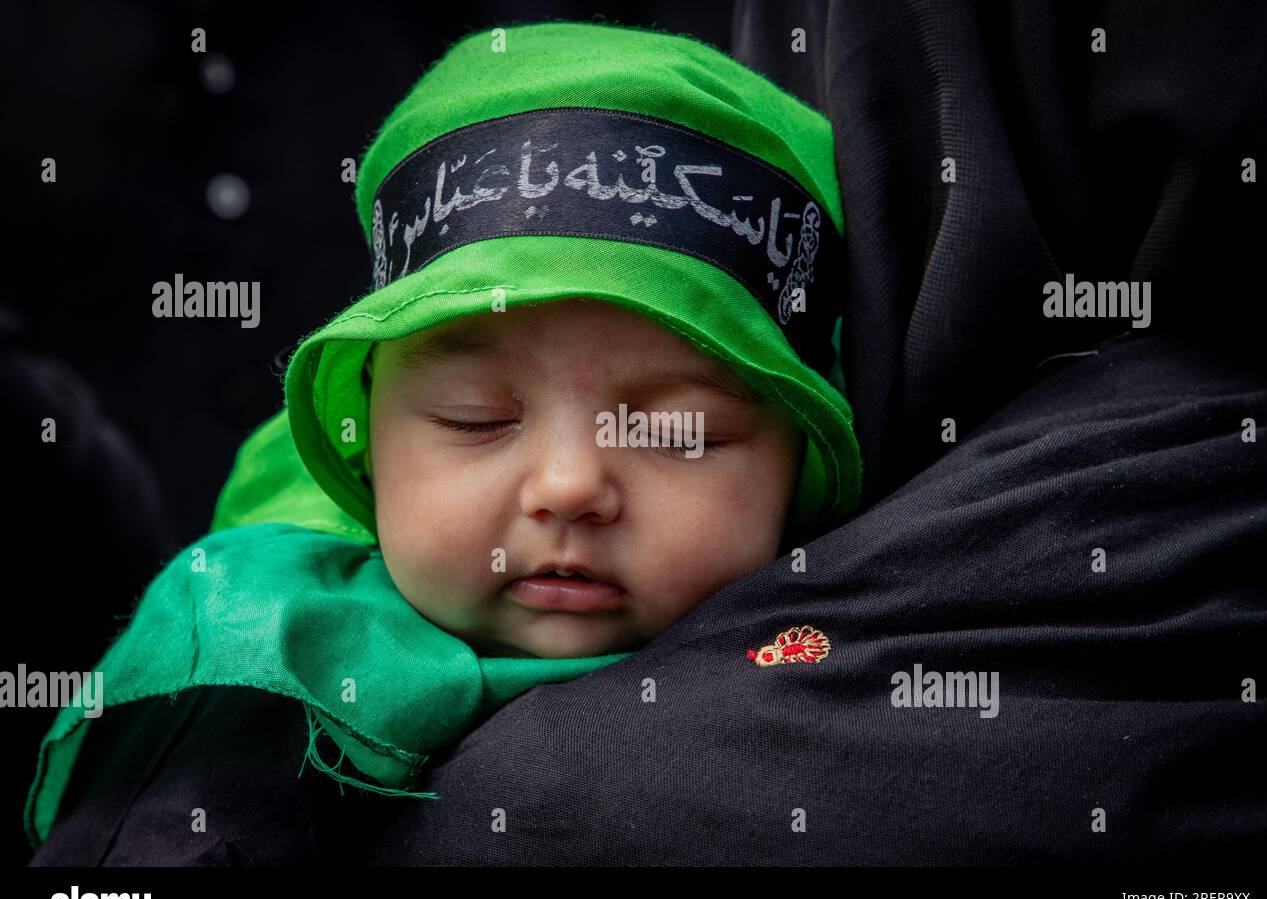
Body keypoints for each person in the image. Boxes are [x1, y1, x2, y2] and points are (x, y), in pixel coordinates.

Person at [25, 19, 861, 851]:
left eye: (683, 432)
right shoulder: (256, 685)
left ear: (806, 461)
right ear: (364, 445)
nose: (568, 487)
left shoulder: (868, 654)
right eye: (478, 419)